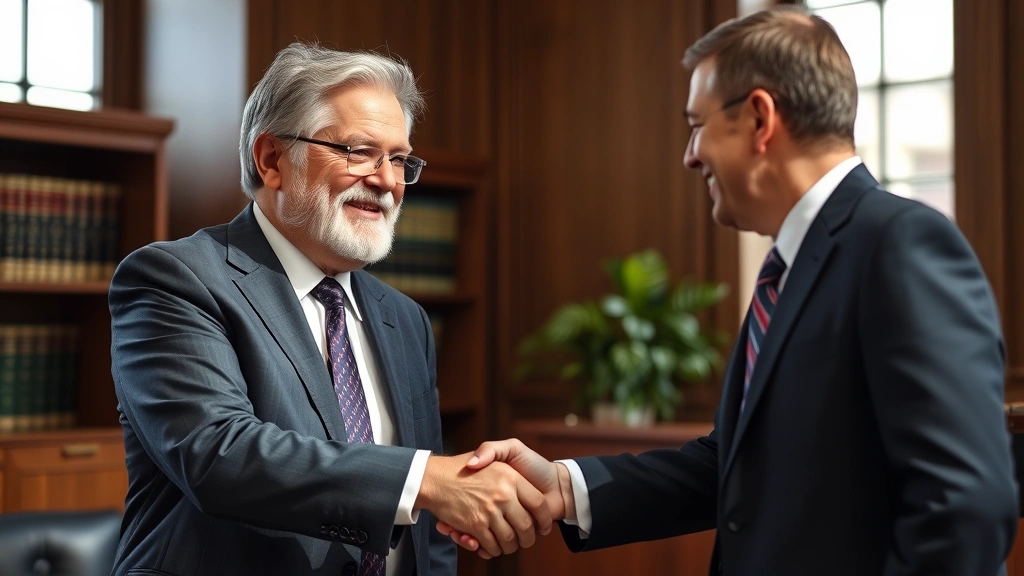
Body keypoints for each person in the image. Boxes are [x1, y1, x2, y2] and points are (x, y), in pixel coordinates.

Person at [441, 5, 1019, 575]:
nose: (690, 156)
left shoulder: (902, 245)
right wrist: (564, 486)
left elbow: (965, 506)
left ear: (760, 119)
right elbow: (732, 465)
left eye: (697, 126)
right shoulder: (789, 268)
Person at [109, 43, 551, 576]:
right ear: (272, 160)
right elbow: (218, 454)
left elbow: (427, 537)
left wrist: (433, 491)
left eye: (399, 160)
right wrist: (424, 479)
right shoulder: (176, 279)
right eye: (359, 152)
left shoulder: (405, 319)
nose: (387, 181)